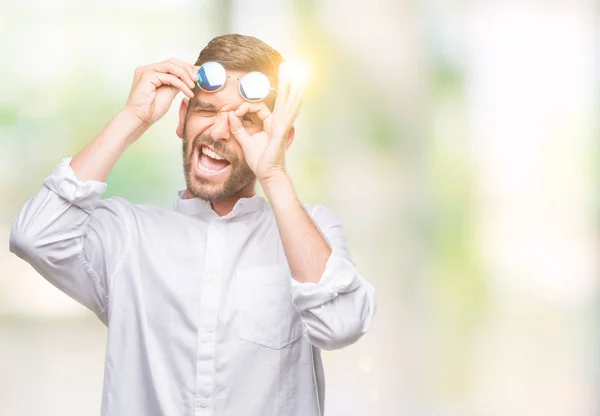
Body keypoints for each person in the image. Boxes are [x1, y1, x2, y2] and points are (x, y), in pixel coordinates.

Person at [9, 34, 376, 416]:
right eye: (207, 111)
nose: (219, 132)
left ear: (282, 139)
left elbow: (341, 324)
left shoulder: (310, 230)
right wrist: (132, 119)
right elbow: (36, 236)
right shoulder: (127, 236)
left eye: (246, 120)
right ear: (182, 118)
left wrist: (273, 171)